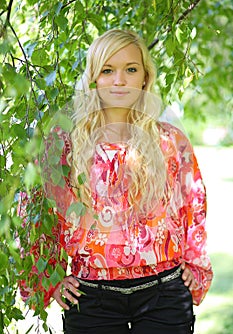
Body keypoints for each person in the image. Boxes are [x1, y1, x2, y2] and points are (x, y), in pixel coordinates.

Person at [19, 29, 213, 334]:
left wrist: (195, 264)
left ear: (145, 78)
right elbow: (40, 211)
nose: (119, 80)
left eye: (130, 69)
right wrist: (48, 279)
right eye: (107, 70)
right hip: (91, 297)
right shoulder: (65, 142)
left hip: (164, 293)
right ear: (94, 77)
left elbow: (193, 204)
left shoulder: (169, 140)